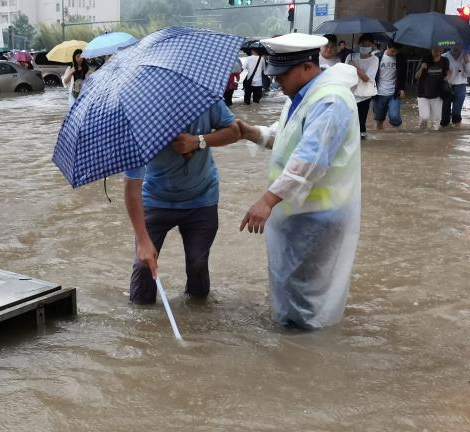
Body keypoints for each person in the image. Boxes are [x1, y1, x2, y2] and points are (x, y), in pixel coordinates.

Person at [237, 33, 361, 329]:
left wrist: (267, 200)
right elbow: (287, 136)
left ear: (306, 66)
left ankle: (303, 351)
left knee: (307, 293)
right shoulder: (302, 94)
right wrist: (250, 132)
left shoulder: (330, 100)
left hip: (318, 216)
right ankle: (291, 341)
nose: (276, 81)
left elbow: (311, 159)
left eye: (281, 74)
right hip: (297, 213)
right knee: (290, 283)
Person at [125, 101, 242, 304]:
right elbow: (131, 187)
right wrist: (143, 241)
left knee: (198, 263)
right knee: (144, 266)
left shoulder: (205, 99)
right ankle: (140, 324)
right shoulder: (138, 119)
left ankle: (198, 317)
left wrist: (199, 141)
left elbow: (234, 131)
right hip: (155, 199)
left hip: (202, 197)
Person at [348, 34, 380, 139]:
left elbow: (366, 78)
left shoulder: (375, 60)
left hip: (365, 94)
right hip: (351, 92)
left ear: (372, 46)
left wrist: (354, 67)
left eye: (367, 45)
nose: (365, 47)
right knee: (350, 118)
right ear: (358, 44)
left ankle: (361, 138)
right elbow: (345, 74)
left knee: (361, 120)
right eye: (363, 44)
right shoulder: (351, 56)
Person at [372, 41, 406, 129]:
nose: (394, 53)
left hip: (394, 93)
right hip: (379, 93)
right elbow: (371, 74)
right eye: (393, 51)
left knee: (394, 117)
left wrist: (402, 89)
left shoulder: (401, 58)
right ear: (387, 47)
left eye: (396, 52)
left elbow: (403, 75)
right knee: (379, 120)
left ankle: (397, 138)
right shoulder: (377, 57)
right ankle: (379, 140)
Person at [414, 47, 449, 131]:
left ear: (443, 50)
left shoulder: (445, 60)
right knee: (425, 117)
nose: (438, 52)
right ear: (431, 49)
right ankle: (421, 133)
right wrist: (422, 68)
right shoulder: (425, 59)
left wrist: (447, 77)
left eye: (440, 51)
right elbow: (416, 76)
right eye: (436, 50)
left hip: (438, 94)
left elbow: (447, 73)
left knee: (435, 121)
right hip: (423, 94)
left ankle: (433, 140)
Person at [441, 46, 470, 127]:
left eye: (459, 44)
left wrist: (467, 62)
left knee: (456, 113)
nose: (457, 46)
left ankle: (456, 134)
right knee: (445, 115)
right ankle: (444, 135)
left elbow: (468, 74)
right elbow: (441, 74)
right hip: (447, 87)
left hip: (460, 87)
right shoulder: (444, 56)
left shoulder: (466, 55)